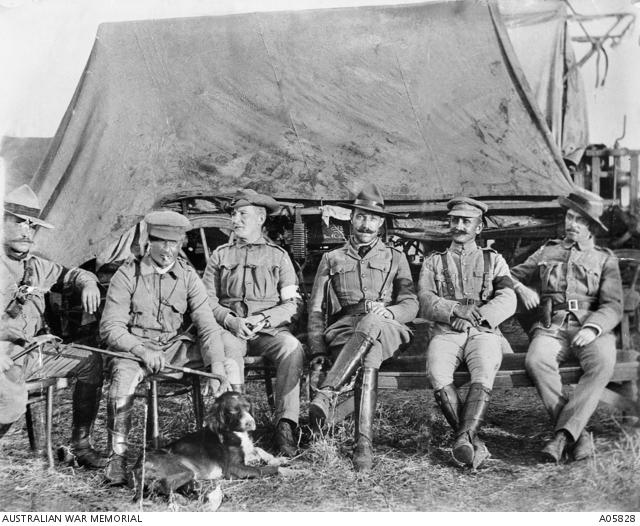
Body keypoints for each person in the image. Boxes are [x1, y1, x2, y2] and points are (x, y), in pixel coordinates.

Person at [100, 210, 231, 485]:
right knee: (123, 378)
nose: (168, 250)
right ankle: (117, 458)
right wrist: (142, 351)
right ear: (149, 240)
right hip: (133, 351)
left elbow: (207, 324)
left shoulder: (188, 276)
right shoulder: (127, 274)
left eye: (174, 243)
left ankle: (219, 450)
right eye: (161, 242)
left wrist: (216, 365)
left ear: (181, 243)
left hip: (172, 349)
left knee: (222, 361)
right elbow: (111, 328)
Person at [307, 183, 419, 471]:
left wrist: (390, 311)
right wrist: (317, 349)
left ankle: (328, 391)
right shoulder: (331, 259)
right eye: (360, 217)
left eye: (372, 219)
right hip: (345, 329)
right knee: (370, 355)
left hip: (389, 327)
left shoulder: (396, 257)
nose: (365, 224)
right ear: (351, 218)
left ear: (380, 223)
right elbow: (317, 308)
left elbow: (411, 303)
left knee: (373, 323)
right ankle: (363, 445)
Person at [510, 189, 623, 462]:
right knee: (536, 361)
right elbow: (507, 276)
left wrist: (593, 328)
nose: (571, 223)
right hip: (553, 326)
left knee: (602, 364)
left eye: (580, 220)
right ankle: (578, 434)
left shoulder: (605, 259)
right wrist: (519, 288)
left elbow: (613, 305)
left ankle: (561, 437)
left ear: (591, 228)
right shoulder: (546, 251)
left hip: (591, 329)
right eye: (570, 216)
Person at [0, 185, 105, 468]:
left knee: (91, 362)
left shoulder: (36, 267)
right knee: (9, 396)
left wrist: (89, 283)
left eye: (32, 225)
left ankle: (80, 445)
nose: (26, 231)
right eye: (18, 222)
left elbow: (73, 274)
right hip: (4, 357)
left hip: (33, 354)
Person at [202, 189, 304, 457]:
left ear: (260, 218)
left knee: (292, 348)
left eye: (242, 214)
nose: (235, 219)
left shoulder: (278, 256)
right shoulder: (220, 256)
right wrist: (230, 320)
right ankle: (238, 431)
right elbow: (206, 301)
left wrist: (262, 319)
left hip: (267, 331)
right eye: (233, 214)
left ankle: (285, 425)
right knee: (226, 350)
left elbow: (291, 303)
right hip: (230, 331)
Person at [418, 197, 516, 468]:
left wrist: (476, 318)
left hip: (483, 332)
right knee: (437, 373)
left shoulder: (493, 260)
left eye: (466, 221)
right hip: (446, 333)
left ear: (479, 227)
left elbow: (508, 299)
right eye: (455, 220)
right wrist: (454, 311)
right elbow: (425, 300)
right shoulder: (433, 263)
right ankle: (473, 440)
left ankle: (463, 438)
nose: (459, 226)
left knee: (484, 368)